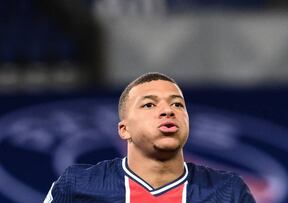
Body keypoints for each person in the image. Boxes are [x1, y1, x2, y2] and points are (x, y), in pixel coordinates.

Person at [44, 72, 256, 203]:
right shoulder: (78, 185)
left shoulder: (228, 192)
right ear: (124, 129)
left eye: (177, 104)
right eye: (149, 105)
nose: (168, 111)